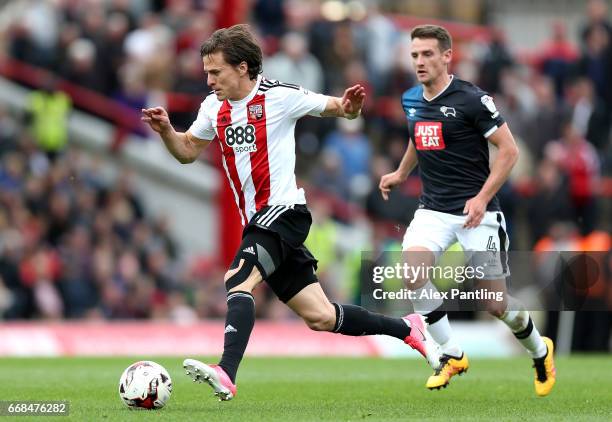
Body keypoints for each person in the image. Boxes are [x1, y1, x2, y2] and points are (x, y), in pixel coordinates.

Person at [142, 24, 440, 402]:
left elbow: (337, 108)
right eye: (207, 72)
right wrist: (168, 130)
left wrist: (350, 108)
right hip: (259, 221)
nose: (209, 79)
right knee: (321, 317)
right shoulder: (212, 107)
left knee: (238, 279)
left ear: (244, 68)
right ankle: (408, 327)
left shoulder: (278, 96)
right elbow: (187, 151)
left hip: (284, 212)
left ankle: (226, 371)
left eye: (215, 71)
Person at [378, 25, 556, 396]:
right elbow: (419, 136)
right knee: (412, 273)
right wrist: (400, 172)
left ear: (447, 56)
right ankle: (452, 353)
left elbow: (509, 151)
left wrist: (480, 197)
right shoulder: (411, 98)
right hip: (433, 211)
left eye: (427, 54)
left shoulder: (472, 100)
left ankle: (540, 351)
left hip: (479, 213)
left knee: (494, 303)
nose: (420, 62)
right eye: (414, 55)